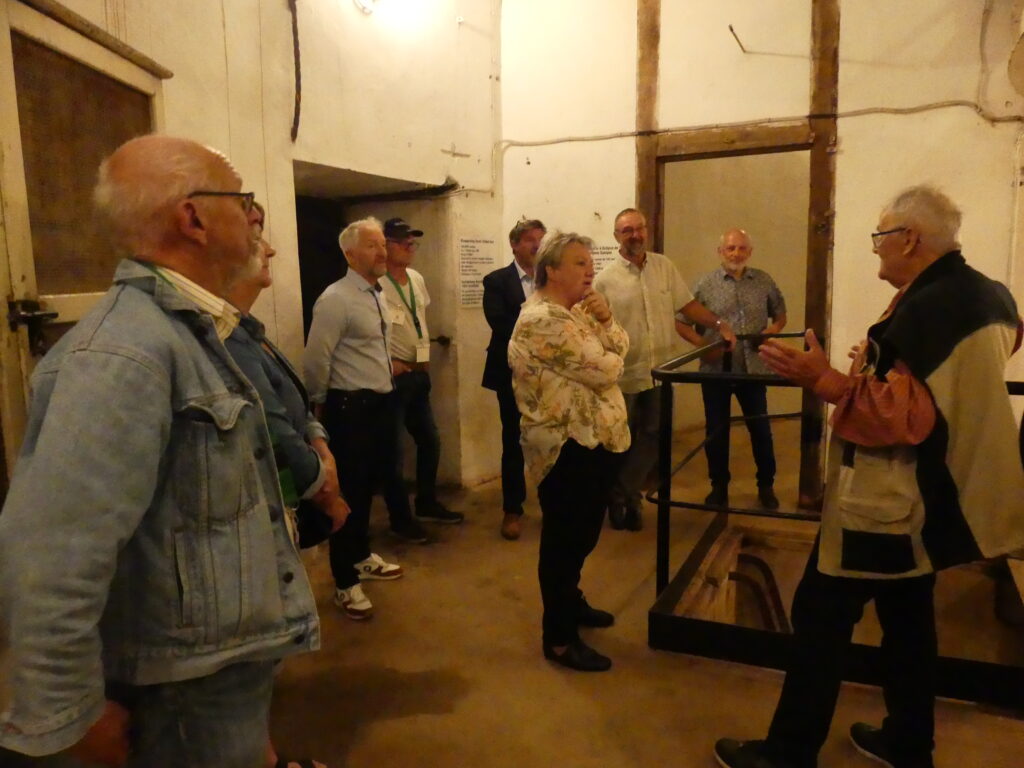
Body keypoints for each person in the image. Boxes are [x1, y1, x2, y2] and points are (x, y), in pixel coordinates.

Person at [0, 135, 320, 768]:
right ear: (193, 218)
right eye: (242, 202)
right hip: (183, 696)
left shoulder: (192, 332)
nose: (254, 221)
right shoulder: (126, 354)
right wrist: (69, 713)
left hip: (212, 672)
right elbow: (52, 556)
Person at [715, 186, 1024, 768]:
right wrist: (881, 366)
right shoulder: (989, 295)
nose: (876, 247)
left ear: (910, 239)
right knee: (909, 624)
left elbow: (902, 418)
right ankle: (909, 745)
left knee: (820, 619)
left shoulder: (929, 308)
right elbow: (952, 380)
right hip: (930, 496)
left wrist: (825, 380)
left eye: (881, 236)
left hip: (884, 500)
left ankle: (787, 754)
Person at [223, 209, 339, 768]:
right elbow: (271, 425)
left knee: (260, 648)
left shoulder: (247, 330)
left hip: (276, 499)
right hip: (252, 508)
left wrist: (317, 438)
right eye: (255, 233)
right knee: (248, 648)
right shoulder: (219, 337)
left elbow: (293, 402)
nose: (269, 249)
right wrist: (324, 484)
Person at [508, 231, 631, 672]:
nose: (590, 270)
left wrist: (607, 319)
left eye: (590, 262)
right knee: (564, 542)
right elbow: (605, 370)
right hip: (566, 447)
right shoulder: (542, 320)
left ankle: (571, 602)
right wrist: (610, 354)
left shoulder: (576, 311)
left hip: (593, 443)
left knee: (582, 535)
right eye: (580, 263)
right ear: (552, 270)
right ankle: (559, 638)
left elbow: (623, 346)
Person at [303, 217, 421, 621]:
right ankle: (344, 582)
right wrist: (319, 407)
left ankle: (361, 557)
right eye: (372, 245)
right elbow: (317, 358)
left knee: (370, 486)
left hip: (381, 404)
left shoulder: (376, 293)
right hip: (349, 408)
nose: (382, 252)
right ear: (350, 254)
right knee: (348, 492)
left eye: (382, 245)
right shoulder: (336, 299)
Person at [594, 208, 736, 531]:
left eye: (639, 228)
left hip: (661, 372)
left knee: (654, 436)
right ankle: (624, 496)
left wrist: (719, 324)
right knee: (620, 440)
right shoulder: (604, 280)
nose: (635, 235)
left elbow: (687, 305)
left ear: (646, 230)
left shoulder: (664, 267)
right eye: (627, 230)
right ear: (616, 237)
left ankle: (623, 494)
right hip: (624, 375)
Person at [675, 229, 786, 510]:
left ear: (750, 251)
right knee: (716, 431)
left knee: (761, 430)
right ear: (720, 252)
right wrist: (704, 346)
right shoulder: (704, 284)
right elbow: (681, 321)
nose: (736, 254)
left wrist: (771, 331)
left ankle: (766, 486)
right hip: (715, 371)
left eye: (741, 248)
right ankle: (719, 488)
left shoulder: (763, 281)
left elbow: (780, 313)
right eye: (730, 248)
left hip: (753, 369)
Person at [380, 217, 463, 525]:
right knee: (393, 450)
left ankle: (426, 501)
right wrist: (388, 363)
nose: (409, 246)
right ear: (385, 245)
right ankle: (399, 517)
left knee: (430, 440)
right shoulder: (377, 284)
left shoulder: (415, 278)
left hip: (418, 374)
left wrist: (424, 358)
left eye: (412, 241)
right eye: (402, 241)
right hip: (392, 377)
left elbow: (419, 322)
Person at [482, 218, 547, 540]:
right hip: (511, 372)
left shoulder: (551, 279)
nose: (537, 245)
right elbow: (500, 322)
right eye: (530, 239)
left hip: (549, 374)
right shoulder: (497, 281)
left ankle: (552, 504)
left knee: (548, 440)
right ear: (515, 244)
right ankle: (512, 508)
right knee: (513, 441)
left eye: (541, 239)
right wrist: (541, 337)